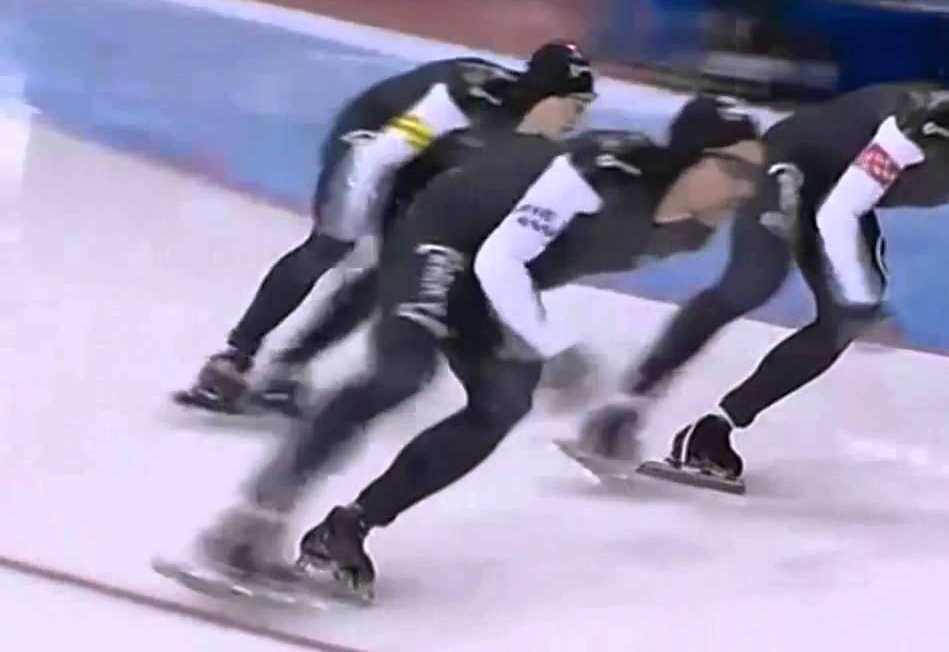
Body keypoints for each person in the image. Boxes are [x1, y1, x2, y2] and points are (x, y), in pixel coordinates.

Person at [176, 95, 766, 603]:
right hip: (443, 236)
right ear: (694, 158)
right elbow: (500, 258)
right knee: (401, 373)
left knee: (502, 404)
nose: (746, 192)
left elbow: (526, 268)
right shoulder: (603, 170)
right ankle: (251, 520)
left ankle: (346, 529)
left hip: (497, 274)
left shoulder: (692, 233)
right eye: (737, 172)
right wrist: (552, 349)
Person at [576, 59, 949, 494]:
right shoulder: (922, 132)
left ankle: (711, 432)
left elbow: (852, 205)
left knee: (842, 321)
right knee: (755, 281)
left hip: (839, 188)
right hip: (792, 164)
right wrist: (859, 296)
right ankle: (623, 407)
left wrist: (858, 301)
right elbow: (840, 211)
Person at [174, 41, 596, 414]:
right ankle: (235, 356)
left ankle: (290, 366)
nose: (579, 121)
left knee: (389, 275)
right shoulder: (466, 93)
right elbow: (378, 157)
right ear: (545, 96)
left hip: (426, 161)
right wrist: (352, 232)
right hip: (371, 140)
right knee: (332, 245)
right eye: (575, 107)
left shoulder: (538, 140)